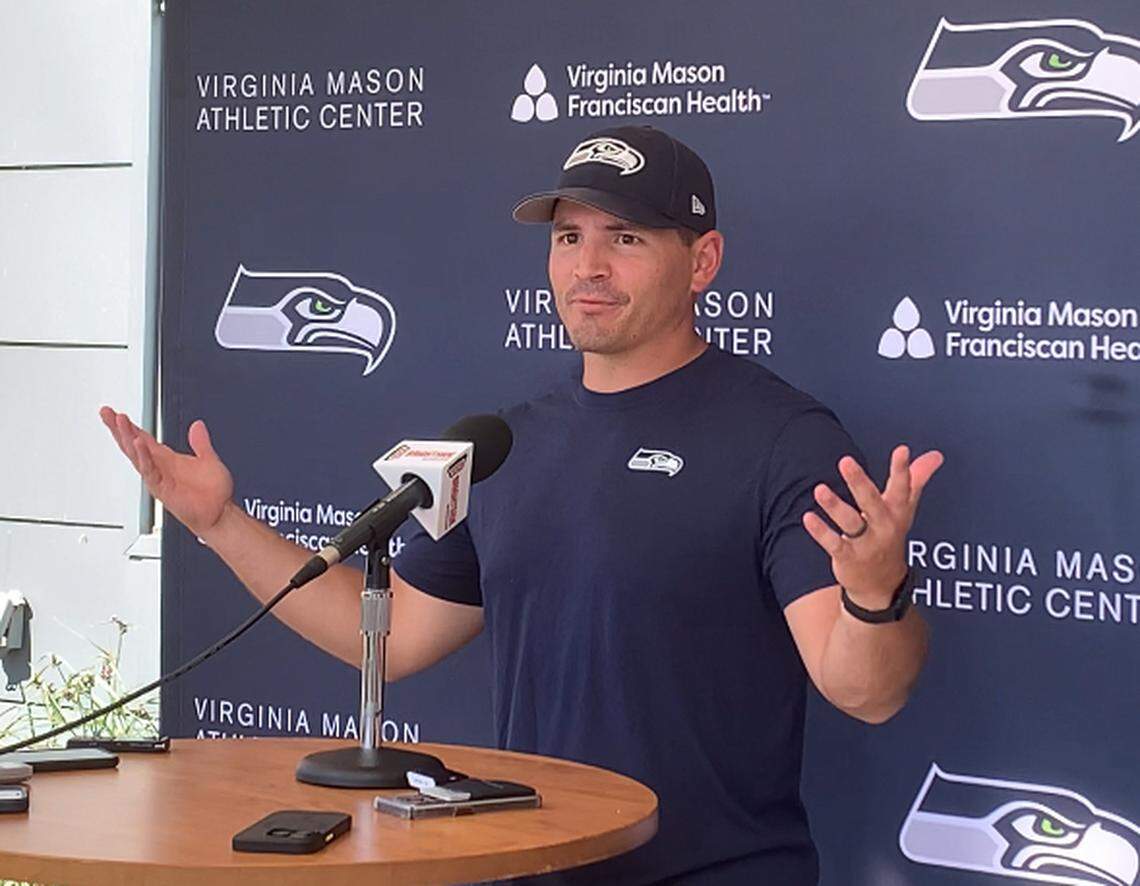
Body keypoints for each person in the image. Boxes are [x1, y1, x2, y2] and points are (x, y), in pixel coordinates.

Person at [101, 125, 941, 885]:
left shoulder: (784, 439)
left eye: (627, 237)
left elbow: (865, 691)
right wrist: (220, 524)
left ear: (705, 261)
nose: (589, 267)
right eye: (570, 237)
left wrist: (875, 593)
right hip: (532, 866)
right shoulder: (507, 443)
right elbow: (394, 641)